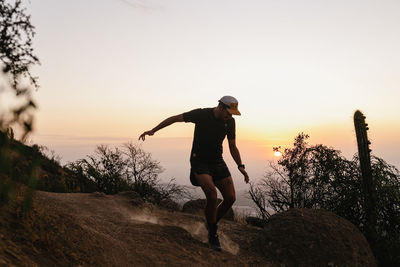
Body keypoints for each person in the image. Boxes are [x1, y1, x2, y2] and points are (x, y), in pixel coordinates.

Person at [139, 96, 249, 251]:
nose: (230, 116)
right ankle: (212, 234)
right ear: (220, 106)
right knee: (211, 194)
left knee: (231, 198)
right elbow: (175, 118)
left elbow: (232, 146)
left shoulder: (230, 122)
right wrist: (153, 130)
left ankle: (211, 223)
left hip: (217, 161)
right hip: (199, 161)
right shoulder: (201, 114)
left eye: (232, 114)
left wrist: (240, 166)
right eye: (228, 113)